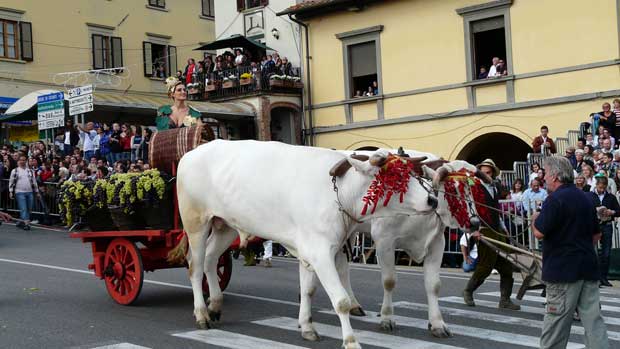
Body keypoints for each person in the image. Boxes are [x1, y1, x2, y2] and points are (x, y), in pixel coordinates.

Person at [533, 156, 609, 349]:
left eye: (547, 174)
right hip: (588, 268)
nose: (545, 179)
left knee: (556, 325)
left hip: (562, 271)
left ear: (556, 176)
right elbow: (596, 235)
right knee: (594, 322)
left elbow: (539, 232)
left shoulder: (554, 200)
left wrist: (534, 218)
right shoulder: (585, 198)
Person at [463, 159, 521, 310]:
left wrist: (503, 227)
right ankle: (468, 291)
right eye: (483, 172)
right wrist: (472, 230)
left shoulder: (495, 187)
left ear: (493, 174)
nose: (485, 175)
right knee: (485, 267)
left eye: (488, 173)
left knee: (507, 267)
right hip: (483, 229)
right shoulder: (473, 187)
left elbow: (496, 210)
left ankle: (505, 300)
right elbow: (469, 210)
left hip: (497, 229)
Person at [587, 176, 620, 287]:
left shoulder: (611, 197)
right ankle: (594, 277)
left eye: (603, 188)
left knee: (606, 253)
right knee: (593, 252)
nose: (601, 190)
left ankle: (603, 277)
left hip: (606, 225)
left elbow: (618, 210)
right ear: (596, 185)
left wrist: (612, 212)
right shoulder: (589, 196)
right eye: (600, 187)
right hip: (593, 225)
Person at [8, 155, 40, 230]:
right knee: (23, 208)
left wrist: (37, 191)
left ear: (26, 161)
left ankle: (21, 221)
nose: (22, 161)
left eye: (24, 160)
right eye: (21, 160)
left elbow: (34, 182)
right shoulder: (15, 171)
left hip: (29, 192)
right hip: (19, 192)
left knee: (29, 208)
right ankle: (27, 224)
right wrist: (11, 191)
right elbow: (11, 182)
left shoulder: (30, 171)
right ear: (18, 161)